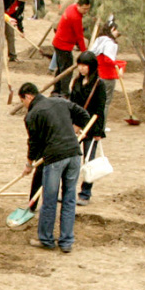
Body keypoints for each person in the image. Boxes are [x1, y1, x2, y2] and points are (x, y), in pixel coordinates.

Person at [18, 82, 91, 253]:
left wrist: (29, 164)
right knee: (69, 198)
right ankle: (66, 242)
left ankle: (46, 239)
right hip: (74, 154)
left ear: (28, 96)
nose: (24, 106)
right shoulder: (60, 101)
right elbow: (83, 114)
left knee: (49, 199)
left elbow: (34, 144)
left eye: (23, 101)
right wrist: (75, 130)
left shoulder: (32, 115)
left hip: (55, 158)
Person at [51, 51, 109, 205]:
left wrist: (97, 131)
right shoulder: (76, 81)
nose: (81, 69)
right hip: (76, 126)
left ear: (91, 66)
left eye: (85, 66)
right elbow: (72, 104)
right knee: (70, 160)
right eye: (80, 65)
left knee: (89, 161)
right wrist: (72, 124)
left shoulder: (99, 84)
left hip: (91, 126)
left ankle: (85, 193)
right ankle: (67, 193)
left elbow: (100, 109)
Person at [51, 0, 88, 74]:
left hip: (58, 23)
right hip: (64, 25)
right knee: (63, 54)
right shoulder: (76, 2)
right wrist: (84, 51)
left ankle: (52, 67)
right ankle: (52, 67)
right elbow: (79, 35)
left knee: (59, 50)